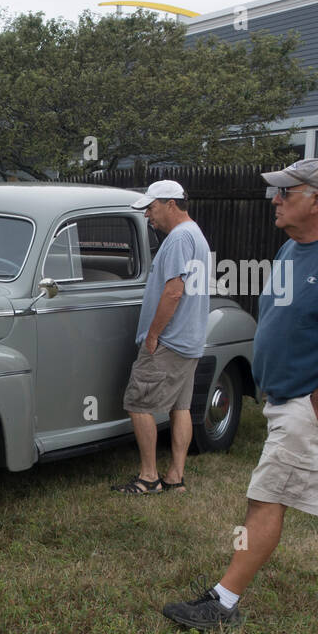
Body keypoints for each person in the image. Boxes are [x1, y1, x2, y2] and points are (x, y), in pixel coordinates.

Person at [164, 158, 318, 629]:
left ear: (316, 200)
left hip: (313, 406)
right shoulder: (292, 249)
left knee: (265, 498)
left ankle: (222, 603)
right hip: (290, 401)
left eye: (285, 193)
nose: (274, 201)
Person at [111, 179, 211, 494]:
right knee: (180, 407)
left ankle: (148, 477)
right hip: (190, 339)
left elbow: (174, 290)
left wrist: (153, 335)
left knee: (137, 402)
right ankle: (175, 477)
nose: (147, 216)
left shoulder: (180, 237)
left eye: (151, 208)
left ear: (170, 204)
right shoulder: (195, 234)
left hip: (170, 340)